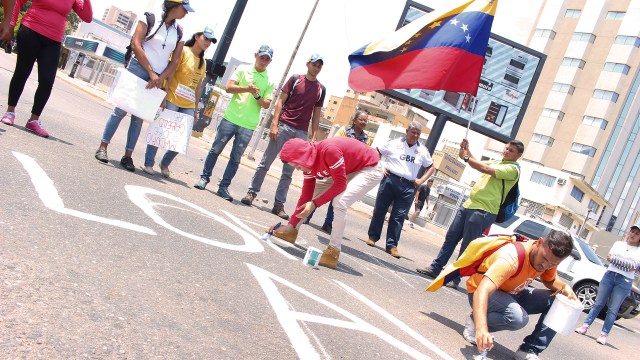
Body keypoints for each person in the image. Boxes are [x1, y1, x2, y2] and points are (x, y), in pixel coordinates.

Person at [95, 0, 192, 171]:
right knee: (120, 110)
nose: (186, 13)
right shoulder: (149, 18)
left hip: (156, 77)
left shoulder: (179, 32)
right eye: (184, 9)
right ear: (174, 6)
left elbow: (175, 61)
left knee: (139, 116)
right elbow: (136, 44)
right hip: (139, 68)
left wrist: (160, 78)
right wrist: (150, 72)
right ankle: (103, 147)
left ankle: (128, 156)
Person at [416, 139, 524, 287]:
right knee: (451, 237)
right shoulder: (497, 162)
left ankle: (455, 277)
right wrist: (467, 150)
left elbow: (485, 169)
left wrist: (466, 157)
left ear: (519, 155)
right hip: (469, 205)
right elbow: (478, 163)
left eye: (511, 151)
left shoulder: (513, 169)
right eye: (506, 148)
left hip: (484, 210)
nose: (506, 151)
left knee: (468, 246)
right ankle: (435, 267)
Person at [270, 137, 383, 269]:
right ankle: (291, 231)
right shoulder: (308, 161)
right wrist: (292, 224)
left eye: (297, 165)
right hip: (350, 168)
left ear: (303, 156)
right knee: (312, 195)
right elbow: (307, 195)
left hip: (370, 168)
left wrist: (315, 203)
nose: (298, 169)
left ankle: (333, 252)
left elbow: (340, 184)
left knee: (340, 202)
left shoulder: (329, 151)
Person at [464, 230, 576, 360]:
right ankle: (475, 321)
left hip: (513, 293)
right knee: (518, 318)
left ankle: (529, 349)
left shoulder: (549, 258)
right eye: (544, 259)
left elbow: (549, 280)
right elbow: (482, 290)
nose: (545, 266)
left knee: (558, 300)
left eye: (553, 264)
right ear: (539, 242)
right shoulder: (512, 257)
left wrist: (564, 287)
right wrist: (481, 329)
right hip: (482, 293)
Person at [240, 54, 325, 219]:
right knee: (265, 163)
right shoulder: (295, 79)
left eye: (319, 66)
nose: (316, 68)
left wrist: (313, 136)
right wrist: (274, 124)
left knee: (288, 172)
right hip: (284, 126)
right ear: (308, 64)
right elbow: (280, 102)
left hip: (300, 133)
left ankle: (278, 205)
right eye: (314, 64)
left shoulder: (321, 89)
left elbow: (316, 114)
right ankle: (251, 193)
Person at [1, 0, 93, 137]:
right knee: (22, 72)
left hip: (54, 40)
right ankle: (10, 111)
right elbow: (18, 2)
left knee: (47, 80)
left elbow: (87, 17)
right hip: (31, 30)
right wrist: (10, 24)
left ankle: (34, 120)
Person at [193, 45, 274, 201]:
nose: (263, 61)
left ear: (270, 61)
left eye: (267, 58)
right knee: (215, 150)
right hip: (230, 118)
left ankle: (223, 187)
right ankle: (204, 178)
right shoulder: (243, 69)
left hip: (248, 125)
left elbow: (266, 104)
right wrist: (247, 89)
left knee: (236, 158)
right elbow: (229, 88)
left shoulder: (270, 80)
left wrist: (257, 96)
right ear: (255, 55)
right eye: (262, 57)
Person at [142, 27, 215, 178]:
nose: (207, 42)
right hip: (172, 98)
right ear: (197, 36)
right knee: (159, 130)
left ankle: (165, 164)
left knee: (182, 137)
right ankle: (149, 162)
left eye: (210, 41)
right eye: (206, 38)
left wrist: (195, 109)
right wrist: (163, 95)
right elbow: (171, 73)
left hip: (188, 104)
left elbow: (198, 87)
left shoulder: (203, 63)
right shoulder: (183, 51)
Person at [366, 121, 434, 258]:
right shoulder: (394, 143)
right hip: (390, 180)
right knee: (380, 209)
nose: (415, 135)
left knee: (399, 216)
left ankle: (392, 245)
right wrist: (380, 166)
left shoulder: (422, 151)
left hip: (409, 186)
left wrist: (421, 181)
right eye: (413, 132)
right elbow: (376, 151)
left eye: (418, 133)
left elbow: (431, 167)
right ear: (407, 131)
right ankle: (373, 237)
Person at [303, 110, 372, 233]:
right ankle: (307, 215)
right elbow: (335, 146)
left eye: (365, 120)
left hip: (349, 171)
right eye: (361, 119)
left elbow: (363, 155)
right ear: (354, 120)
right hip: (335, 166)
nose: (363, 122)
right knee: (321, 192)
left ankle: (328, 223)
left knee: (337, 197)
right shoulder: (344, 131)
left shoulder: (367, 138)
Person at [575, 222, 640, 345]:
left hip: (624, 281)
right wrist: (624, 263)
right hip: (609, 276)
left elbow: (633, 266)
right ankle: (585, 326)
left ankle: (604, 334)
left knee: (613, 309)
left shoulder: (639, 250)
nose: (633, 235)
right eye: (632, 231)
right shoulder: (618, 244)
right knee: (598, 303)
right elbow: (610, 258)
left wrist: (616, 260)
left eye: (637, 233)